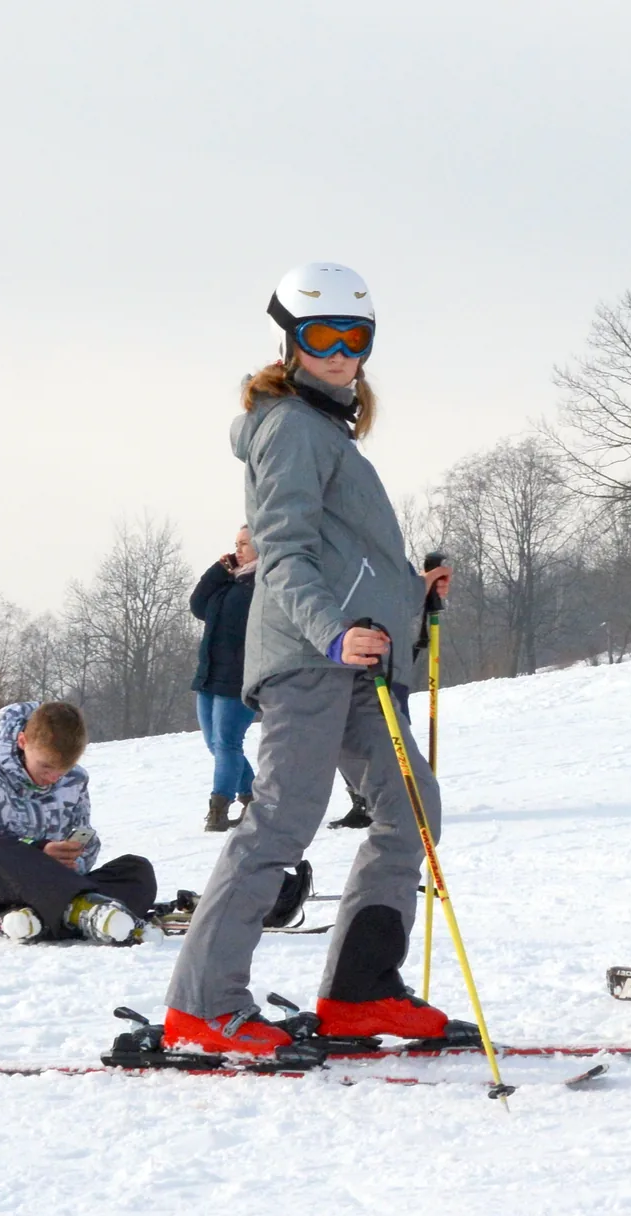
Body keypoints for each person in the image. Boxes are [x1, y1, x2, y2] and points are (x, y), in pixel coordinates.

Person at [159, 262, 456, 1055]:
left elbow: (346, 555)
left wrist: (410, 595)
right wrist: (331, 632)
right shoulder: (288, 425)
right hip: (308, 657)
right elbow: (285, 552)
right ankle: (202, 1003)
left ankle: (360, 993)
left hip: (357, 661)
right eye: (321, 336)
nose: (340, 353)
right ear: (288, 341)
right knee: (283, 817)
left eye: (355, 338)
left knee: (411, 808)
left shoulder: (325, 431)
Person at [0, 701, 154, 944]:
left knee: (137, 871)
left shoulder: (74, 781)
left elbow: (81, 840)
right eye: (46, 766)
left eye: (63, 769)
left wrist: (73, 857)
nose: (53, 778)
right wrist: (38, 850)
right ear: (23, 742)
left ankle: (34, 920)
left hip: (43, 891)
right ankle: (79, 912)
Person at [189, 525, 259, 832]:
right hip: (210, 676)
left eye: (244, 544)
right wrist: (219, 570)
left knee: (228, 744)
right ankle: (253, 796)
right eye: (236, 544)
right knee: (214, 744)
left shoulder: (266, 584)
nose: (238, 550)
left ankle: (219, 809)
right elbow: (198, 606)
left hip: (238, 679)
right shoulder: (230, 582)